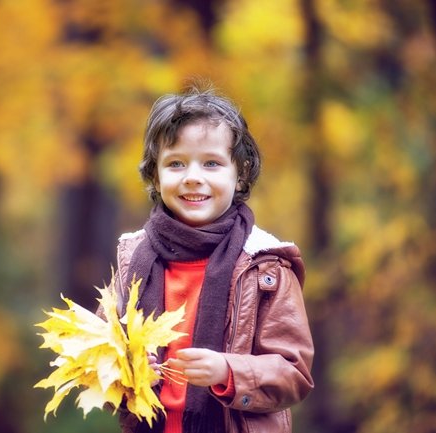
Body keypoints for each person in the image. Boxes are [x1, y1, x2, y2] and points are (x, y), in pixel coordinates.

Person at [109, 86, 314, 433]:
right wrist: (125, 367)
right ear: (155, 175)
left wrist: (228, 371)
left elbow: (294, 373)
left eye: (212, 163)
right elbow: (99, 352)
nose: (192, 176)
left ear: (241, 173)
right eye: (176, 163)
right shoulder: (133, 257)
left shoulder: (265, 266)